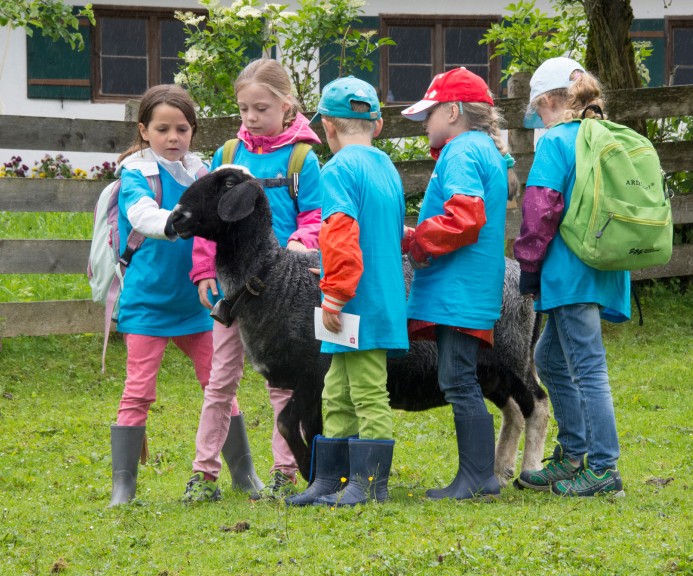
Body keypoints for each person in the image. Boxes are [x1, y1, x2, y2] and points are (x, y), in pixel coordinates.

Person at [182, 59, 323, 502]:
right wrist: (204, 268)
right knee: (220, 379)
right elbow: (208, 220)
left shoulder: (302, 158)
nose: (250, 118)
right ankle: (204, 474)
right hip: (233, 292)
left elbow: (316, 215)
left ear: (287, 106)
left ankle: (286, 470)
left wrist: (302, 242)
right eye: (244, 109)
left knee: (282, 383)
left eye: (260, 108)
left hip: (283, 296)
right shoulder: (227, 156)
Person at [286, 77, 408, 507]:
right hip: (379, 298)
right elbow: (393, 232)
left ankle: (370, 484)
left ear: (328, 129)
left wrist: (334, 295)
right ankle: (328, 479)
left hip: (357, 303)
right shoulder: (386, 166)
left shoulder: (338, 169)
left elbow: (338, 234)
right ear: (375, 125)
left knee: (369, 391)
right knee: (335, 389)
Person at [513, 56, 628, 497]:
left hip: (570, 270)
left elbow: (540, 209)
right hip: (604, 264)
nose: (538, 122)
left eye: (537, 112)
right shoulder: (603, 136)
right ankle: (574, 455)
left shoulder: (558, 141)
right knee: (551, 359)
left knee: (587, 366)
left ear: (547, 101)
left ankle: (603, 468)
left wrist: (527, 264)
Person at [399, 67, 512, 501]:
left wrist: (417, 240)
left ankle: (477, 478)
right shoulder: (483, 148)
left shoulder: (463, 151)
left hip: (458, 287)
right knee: (459, 377)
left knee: (458, 379)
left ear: (453, 111)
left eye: (429, 114)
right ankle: (477, 475)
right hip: (469, 286)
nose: (425, 123)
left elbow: (465, 216)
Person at [109, 84, 212, 507]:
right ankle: (123, 487)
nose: (174, 137)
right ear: (144, 131)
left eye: (182, 129)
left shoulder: (202, 173)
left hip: (197, 302)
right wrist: (177, 221)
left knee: (218, 384)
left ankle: (243, 473)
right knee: (138, 391)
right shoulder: (136, 174)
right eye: (163, 129)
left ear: (192, 131)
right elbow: (140, 214)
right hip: (148, 302)